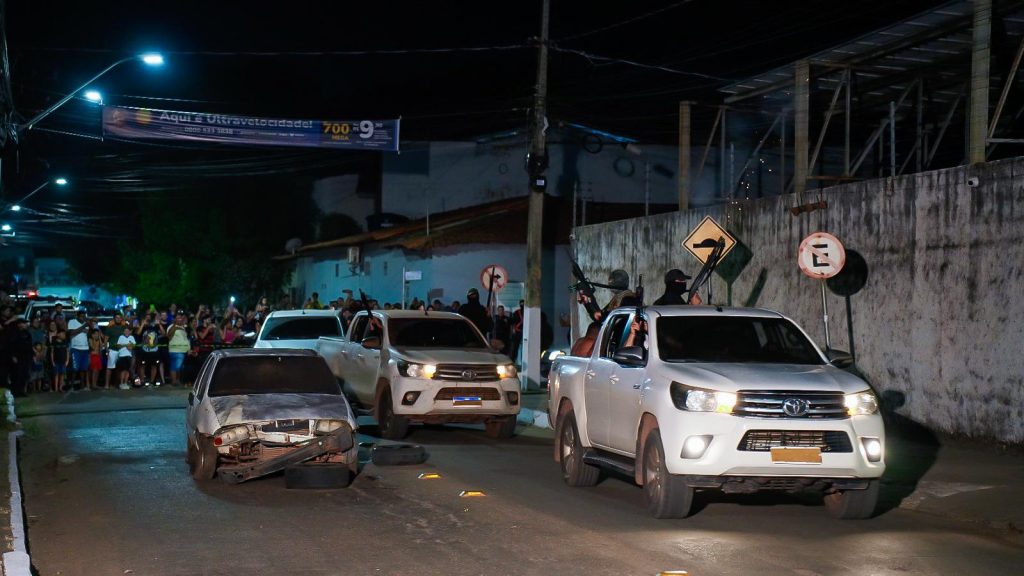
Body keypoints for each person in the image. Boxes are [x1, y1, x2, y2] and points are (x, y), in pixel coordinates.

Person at [66, 310, 92, 390]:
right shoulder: (72, 322)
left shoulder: (86, 323)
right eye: (81, 316)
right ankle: (71, 385)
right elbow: (71, 332)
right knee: (75, 368)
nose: (83, 318)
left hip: (85, 348)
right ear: (77, 316)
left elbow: (89, 333)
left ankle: (82, 385)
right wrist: (83, 327)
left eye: (84, 316)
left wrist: (89, 327)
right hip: (75, 348)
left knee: (83, 368)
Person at [166, 315, 190, 387]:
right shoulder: (171, 326)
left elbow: (185, 339)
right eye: (178, 318)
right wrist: (174, 326)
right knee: (177, 366)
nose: (180, 319)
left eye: (180, 318)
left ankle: (176, 381)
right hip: (176, 350)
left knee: (177, 366)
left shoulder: (183, 327)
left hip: (183, 350)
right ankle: (175, 381)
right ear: (175, 319)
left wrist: (189, 349)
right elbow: (168, 335)